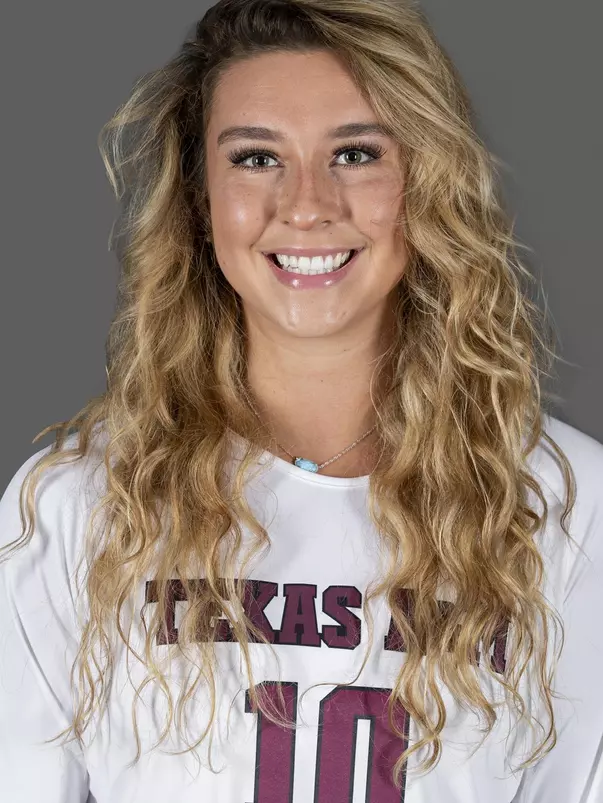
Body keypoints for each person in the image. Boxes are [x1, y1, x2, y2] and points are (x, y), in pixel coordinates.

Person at [0, 1, 601, 801]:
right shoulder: (76, 504)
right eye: (255, 158)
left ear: (427, 181)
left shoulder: (567, 505)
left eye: (354, 152)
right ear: (198, 200)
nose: (307, 203)